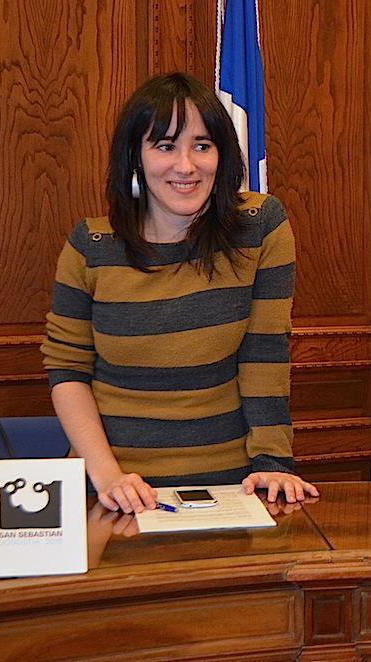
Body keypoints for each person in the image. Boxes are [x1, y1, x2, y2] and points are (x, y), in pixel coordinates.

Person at [41, 73, 318, 514]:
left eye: (202, 146)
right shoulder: (91, 246)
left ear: (222, 154)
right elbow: (67, 370)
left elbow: (265, 354)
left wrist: (273, 462)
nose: (186, 166)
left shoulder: (259, 227)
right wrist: (107, 475)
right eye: (165, 146)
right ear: (135, 156)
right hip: (112, 489)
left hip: (232, 487)